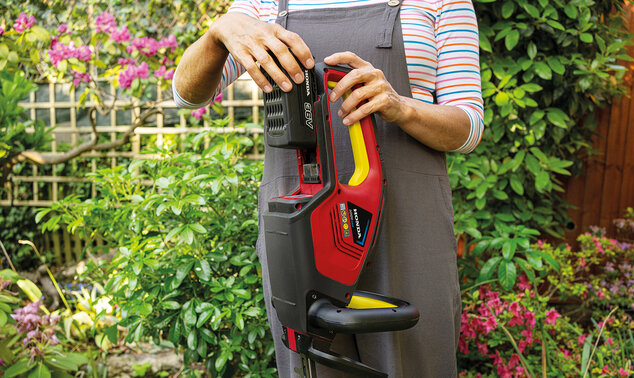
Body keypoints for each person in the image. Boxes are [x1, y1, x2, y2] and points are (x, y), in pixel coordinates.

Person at [173, 0, 483, 376]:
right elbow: (188, 95)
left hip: (407, 222)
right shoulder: (264, 3)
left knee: (417, 360)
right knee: (312, 365)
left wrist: (402, 107)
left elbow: (468, 127)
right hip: (301, 226)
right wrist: (219, 33)